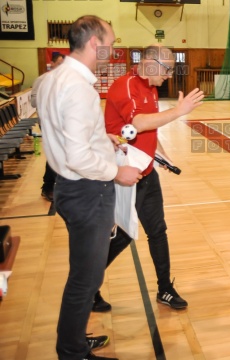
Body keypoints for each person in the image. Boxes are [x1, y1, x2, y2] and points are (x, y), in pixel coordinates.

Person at [36, 15, 142, 360]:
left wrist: (101, 138)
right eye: (111, 42)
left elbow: (68, 137)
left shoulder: (50, 79)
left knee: (84, 274)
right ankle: (72, 351)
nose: (114, 48)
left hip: (70, 188)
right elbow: (78, 155)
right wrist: (116, 171)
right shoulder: (78, 88)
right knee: (86, 278)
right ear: (95, 43)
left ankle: (74, 341)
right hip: (86, 190)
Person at [96, 44, 205, 312]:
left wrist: (161, 154)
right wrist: (179, 111)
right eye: (167, 68)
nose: (169, 75)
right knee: (122, 235)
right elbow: (139, 122)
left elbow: (145, 133)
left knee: (158, 230)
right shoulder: (126, 85)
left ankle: (165, 289)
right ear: (150, 62)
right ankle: (87, 288)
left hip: (146, 172)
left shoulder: (150, 87)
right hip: (125, 175)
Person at [31, 51, 65, 202]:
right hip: (47, 123)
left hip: (62, 123)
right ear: (51, 63)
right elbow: (33, 102)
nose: (61, 67)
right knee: (54, 153)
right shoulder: (42, 80)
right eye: (58, 64)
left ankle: (58, 185)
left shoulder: (64, 81)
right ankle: (48, 186)